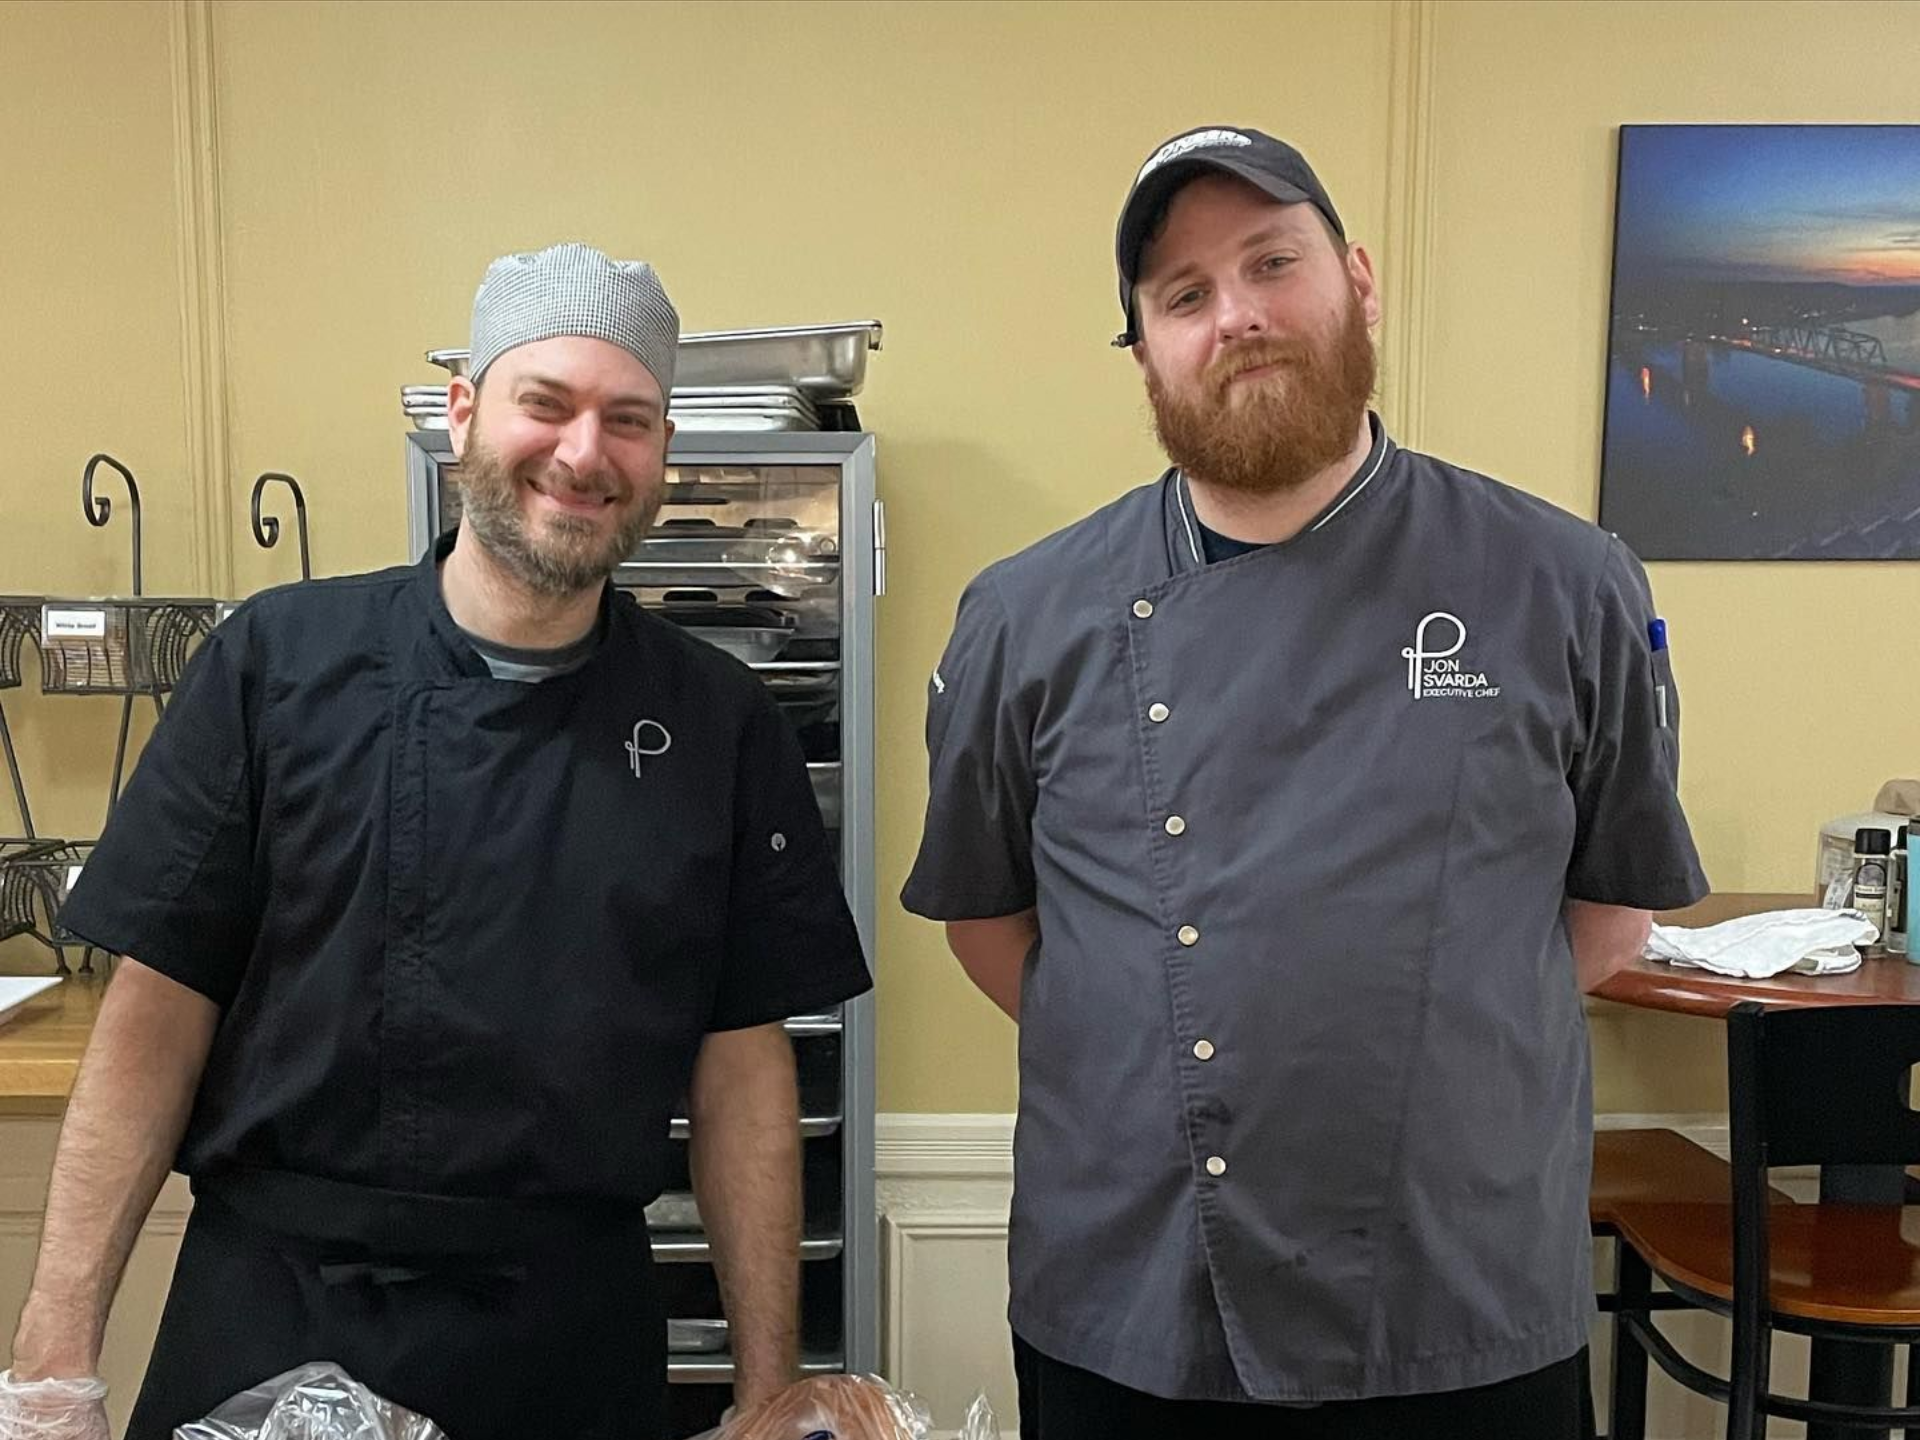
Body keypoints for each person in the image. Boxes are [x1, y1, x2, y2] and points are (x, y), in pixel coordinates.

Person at [902, 126, 1707, 1439]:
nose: (1240, 317)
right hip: (1136, 1301)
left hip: (1459, 1302)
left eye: (1272, 262)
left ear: (1359, 281)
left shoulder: (1565, 582)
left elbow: (1607, 918)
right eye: (1184, 296)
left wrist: (1418, 1049)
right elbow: (993, 928)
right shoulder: (1025, 614)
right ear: (1146, 351)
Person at [0, 242, 870, 1440]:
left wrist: (765, 1391)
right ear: (463, 415)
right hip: (272, 1313)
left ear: (665, 450)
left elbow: (743, 1070)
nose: (583, 452)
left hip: (567, 1340)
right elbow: (155, 1017)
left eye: (629, 419)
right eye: (545, 403)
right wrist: (51, 1367)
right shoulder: (275, 663)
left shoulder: (719, 725)